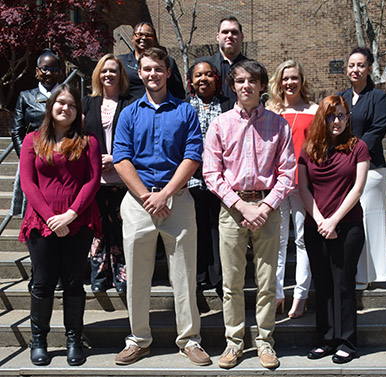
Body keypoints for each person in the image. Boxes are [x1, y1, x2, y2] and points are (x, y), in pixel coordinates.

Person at [113, 47, 211, 367]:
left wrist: (166, 194)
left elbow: (193, 156)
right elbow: (121, 158)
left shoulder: (185, 112)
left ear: (168, 72)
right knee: (137, 276)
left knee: (184, 275)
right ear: (139, 73)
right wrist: (147, 197)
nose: (152, 74)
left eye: (158, 68)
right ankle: (139, 339)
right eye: (147, 69)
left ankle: (189, 340)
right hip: (139, 202)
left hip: (177, 201)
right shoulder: (129, 113)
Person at [203, 59, 296, 369]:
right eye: (240, 81)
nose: (246, 86)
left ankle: (266, 342)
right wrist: (241, 206)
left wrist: (265, 207)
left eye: (252, 81)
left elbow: (287, 172)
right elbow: (211, 173)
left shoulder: (278, 124)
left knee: (268, 281)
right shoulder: (220, 124)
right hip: (232, 209)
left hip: (268, 207)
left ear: (261, 86)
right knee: (231, 283)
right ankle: (234, 343)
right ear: (233, 86)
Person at [19, 83, 102, 366]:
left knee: (73, 283)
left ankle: (73, 340)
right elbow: (28, 183)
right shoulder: (32, 140)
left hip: (77, 223)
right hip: (41, 224)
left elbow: (92, 181)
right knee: (42, 284)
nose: (65, 108)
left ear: (78, 111)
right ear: (51, 106)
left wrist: (70, 215)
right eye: (60, 103)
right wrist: (51, 218)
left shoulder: (88, 141)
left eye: (71, 104)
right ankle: (38, 340)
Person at [298, 95, 370, 364]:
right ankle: (326, 340)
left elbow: (358, 188)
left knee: (343, 284)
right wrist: (319, 220)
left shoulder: (359, 147)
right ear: (322, 118)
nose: (336, 120)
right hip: (315, 226)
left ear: (347, 117)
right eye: (331, 116)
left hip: (348, 226)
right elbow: (303, 188)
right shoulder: (309, 148)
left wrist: (334, 220)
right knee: (323, 284)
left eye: (341, 115)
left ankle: (347, 342)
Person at [267, 60, 318, 318]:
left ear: (302, 80)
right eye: (285, 78)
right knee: (277, 242)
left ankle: (300, 295)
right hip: (276, 184)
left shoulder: (314, 110)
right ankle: (276, 295)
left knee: (301, 240)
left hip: (303, 183)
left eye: (295, 78)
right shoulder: (270, 111)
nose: (290, 83)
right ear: (279, 81)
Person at [337, 46, 386, 290]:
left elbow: (377, 129)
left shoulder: (378, 97)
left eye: (360, 65)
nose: (355, 69)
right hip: (345, 168)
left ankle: (370, 275)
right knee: (352, 222)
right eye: (351, 65)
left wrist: (354, 152)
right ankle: (356, 272)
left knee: (369, 219)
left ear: (369, 69)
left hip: (370, 168)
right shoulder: (341, 98)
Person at [83, 54, 134, 293]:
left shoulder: (131, 102)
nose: (108, 75)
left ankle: (121, 275)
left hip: (122, 178)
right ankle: (99, 276)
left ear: (121, 75)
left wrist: (118, 158)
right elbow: (80, 138)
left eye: (113, 70)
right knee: (98, 229)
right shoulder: (88, 102)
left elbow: (138, 138)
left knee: (121, 228)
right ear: (97, 75)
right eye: (104, 71)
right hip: (95, 178)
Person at [186, 60, 233, 294]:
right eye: (197, 75)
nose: (203, 79)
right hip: (191, 180)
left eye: (208, 74)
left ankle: (218, 277)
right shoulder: (184, 106)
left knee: (218, 229)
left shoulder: (228, 105)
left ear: (217, 79)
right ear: (191, 81)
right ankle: (198, 275)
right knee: (195, 228)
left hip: (222, 181)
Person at [11, 49, 61, 216]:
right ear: (37, 71)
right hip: (33, 158)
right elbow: (17, 130)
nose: (49, 73)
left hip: (61, 158)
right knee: (32, 207)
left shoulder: (66, 95)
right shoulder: (25, 97)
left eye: (54, 70)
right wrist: (25, 156)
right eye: (45, 68)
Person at [118, 21, 185, 100]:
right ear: (133, 38)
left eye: (148, 35)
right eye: (139, 34)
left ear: (154, 39)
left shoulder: (167, 62)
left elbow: (178, 92)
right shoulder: (121, 61)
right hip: (130, 109)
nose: (143, 38)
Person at [195, 16, 247, 102]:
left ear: (241, 37)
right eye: (225, 32)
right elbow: (192, 96)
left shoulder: (252, 68)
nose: (229, 35)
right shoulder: (202, 65)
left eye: (234, 32)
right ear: (218, 36)